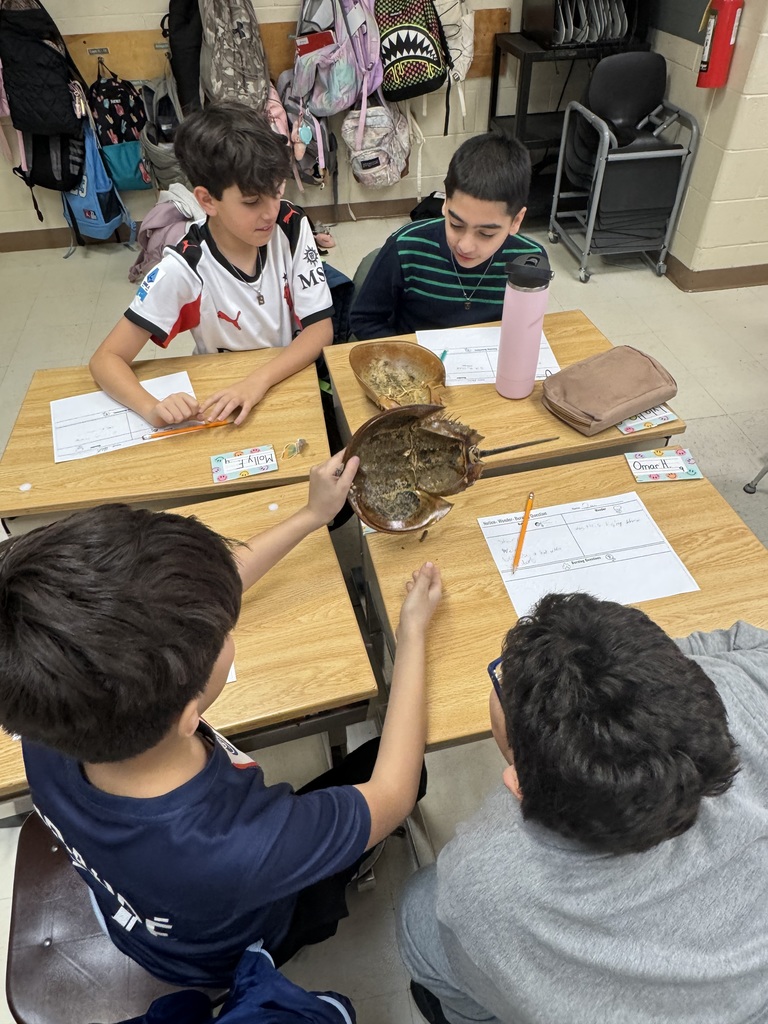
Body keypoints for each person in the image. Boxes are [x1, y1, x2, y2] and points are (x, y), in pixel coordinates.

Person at [0, 450, 443, 989]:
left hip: (138, 921)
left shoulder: (46, 705)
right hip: (232, 949)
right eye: (221, 635)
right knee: (403, 769)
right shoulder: (238, 844)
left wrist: (311, 516)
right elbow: (392, 795)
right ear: (189, 714)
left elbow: (187, 599)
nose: (226, 628)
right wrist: (412, 633)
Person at [396, 592, 768, 1024]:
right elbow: (746, 639)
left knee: (418, 909)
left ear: (517, 784)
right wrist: (634, 682)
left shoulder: (483, 877)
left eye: (504, 681)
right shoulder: (751, 689)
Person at [90, 100, 334, 428]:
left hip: (285, 381)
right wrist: (152, 408)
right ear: (207, 200)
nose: (270, 212)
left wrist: (257, 383)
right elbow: (106, 360)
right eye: (251, 201)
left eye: (277, 192)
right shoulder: (185, 266)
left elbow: (320, 330)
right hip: (223, 396)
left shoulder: (291, 225)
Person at [348, 133, 548, 340]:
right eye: (456, 224)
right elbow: (364, 319)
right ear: (445, 202)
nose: (465, 245)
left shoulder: (529, 261)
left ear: (516, 221)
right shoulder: (406, 247)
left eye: (486, 234)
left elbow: (526, 331)